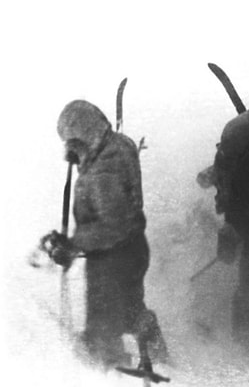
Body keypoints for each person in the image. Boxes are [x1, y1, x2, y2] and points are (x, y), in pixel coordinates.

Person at [43, 100, 167, 369]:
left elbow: (112, 225)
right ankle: (158, 353)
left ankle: (108, 372)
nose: (71, 149)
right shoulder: (118, 145)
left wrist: (74, 245)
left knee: (103, 325)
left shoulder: (102, 171)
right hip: (133, 247)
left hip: (112, 258)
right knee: (130, 308)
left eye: (72, 142)